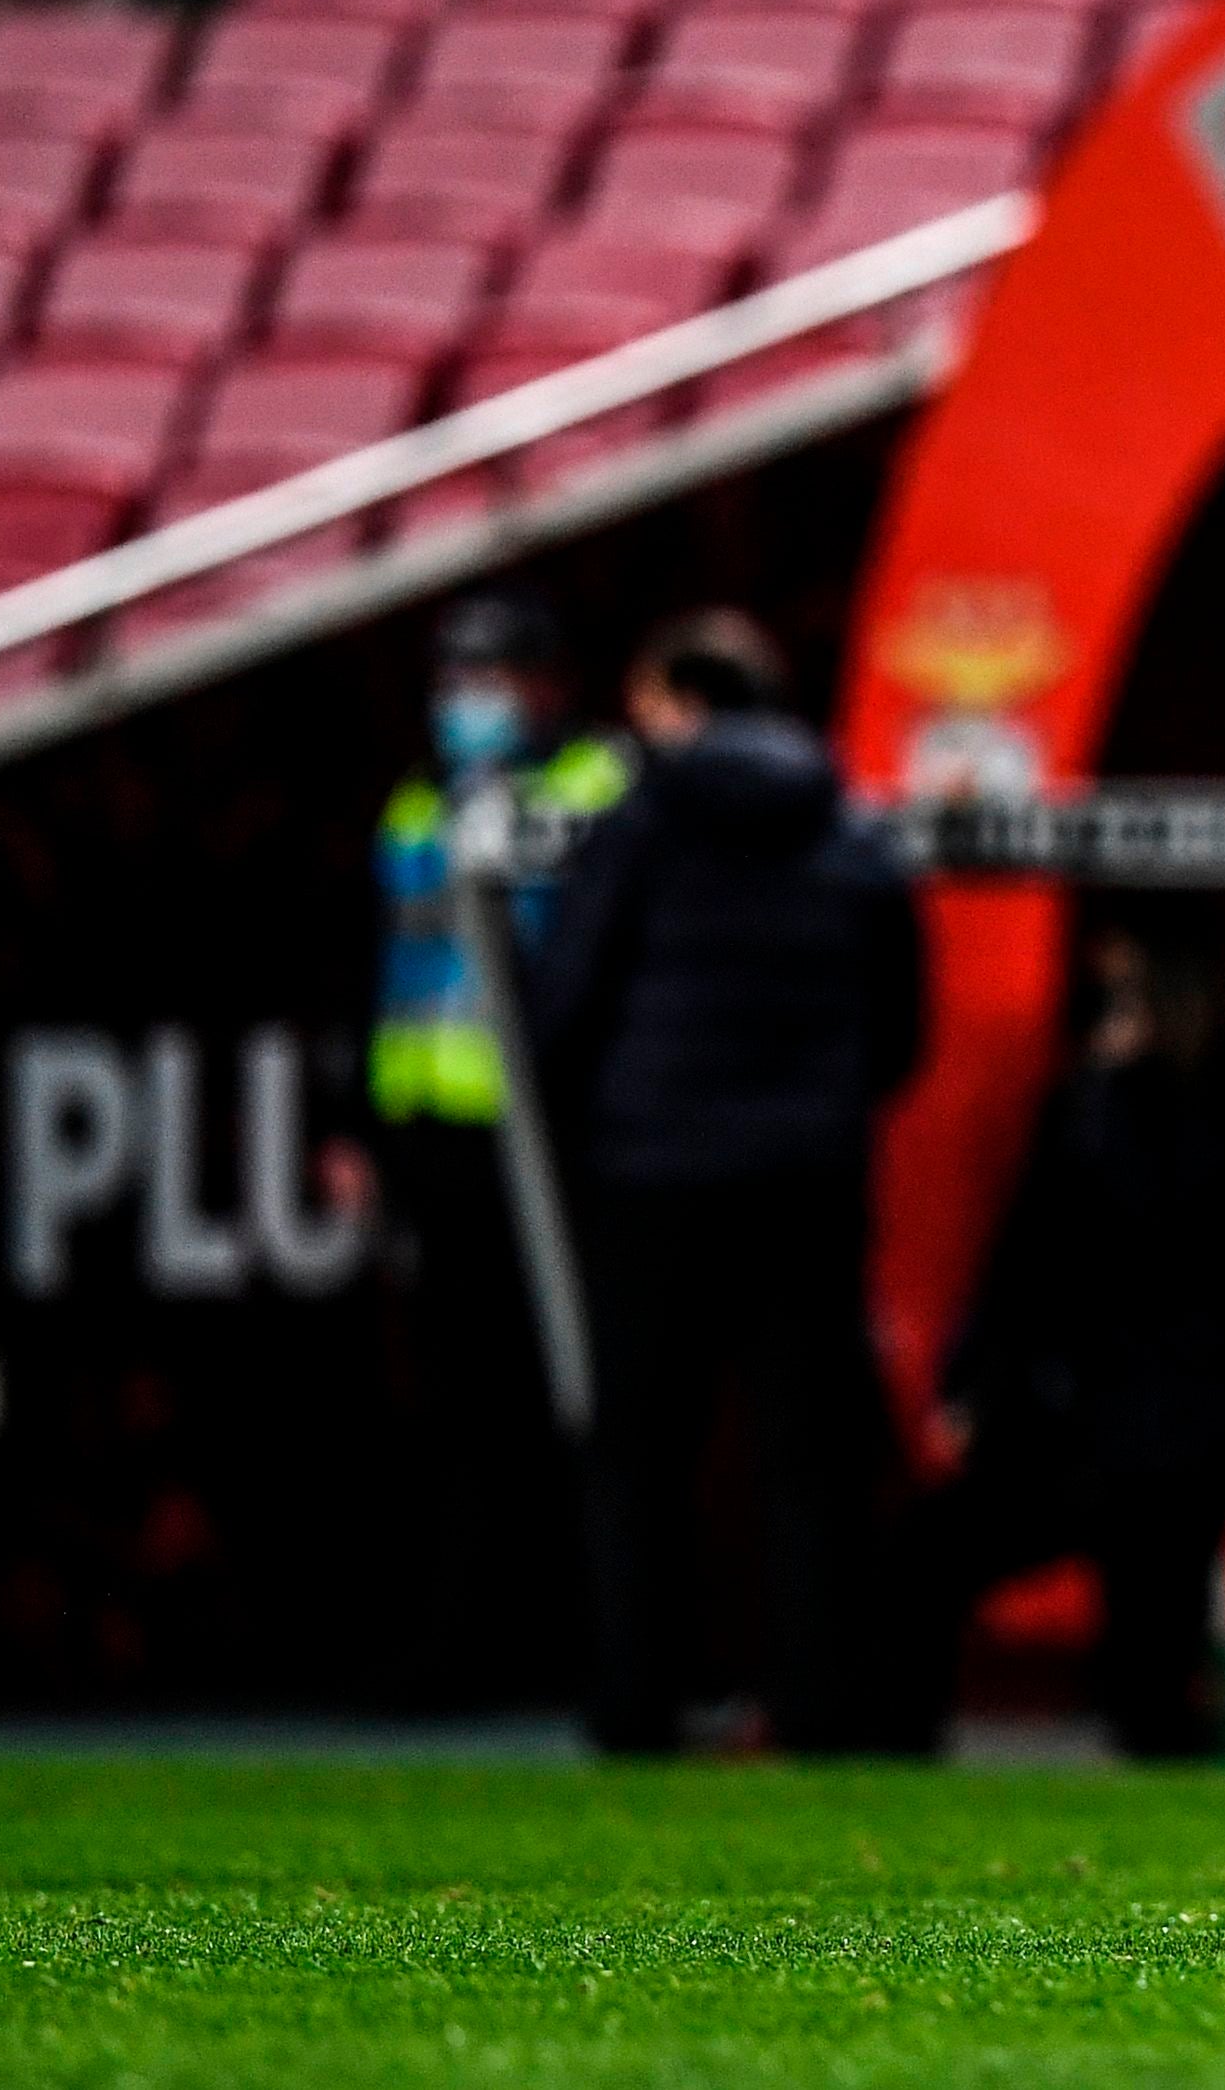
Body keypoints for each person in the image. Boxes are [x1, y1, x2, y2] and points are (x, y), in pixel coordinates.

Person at [526, 609, 930, 1753]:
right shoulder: (851, 828)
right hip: (806, 1174)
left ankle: (633, 1703)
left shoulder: (638, 825)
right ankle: (815, 1705)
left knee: (637, 1446)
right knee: (808, 1453)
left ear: (683, 706)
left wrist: (606, 1110)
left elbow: (569, 995)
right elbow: (903, 1023)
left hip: (651, 1174)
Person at [339, 591, 631, 1702]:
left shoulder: (600, 790)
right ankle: (458, 1647)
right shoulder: (418, 805)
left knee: (574, 1399)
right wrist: (360, 1128)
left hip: (558, 1140)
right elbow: (374, 968)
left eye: (499, 677)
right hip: (436, 1148)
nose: (476, 702)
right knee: (461, 1408)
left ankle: (588, 1646)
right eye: (459, 681)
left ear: (554, 683)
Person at [897, 914, 1225, 1755]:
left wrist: (1114, 1093)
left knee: (1150, 1663)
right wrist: (979, 1384)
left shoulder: (1183, 1103)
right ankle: (891, 1746)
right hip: (1105, 1421)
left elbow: (1097, 1248)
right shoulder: (1116, 1101)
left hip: (1148, 1427)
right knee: (935, 1562)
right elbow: (1027, 1259)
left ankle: (1170, 1824)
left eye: (1128, 991)